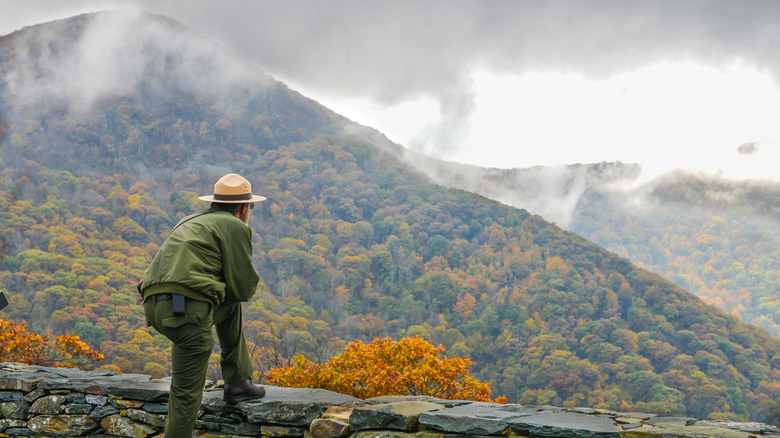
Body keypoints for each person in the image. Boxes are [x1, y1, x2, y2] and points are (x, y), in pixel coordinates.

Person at [140, 173, 267, 437]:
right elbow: (242, 288)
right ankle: (236, 382)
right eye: (251, 206)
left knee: (230, 306)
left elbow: (231, 297)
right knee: (185, 395)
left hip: (155, 305)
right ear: (244, 208)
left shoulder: (190, 220)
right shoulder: (235, 226)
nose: (250, 211)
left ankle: (238, 381)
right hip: (185, 310)